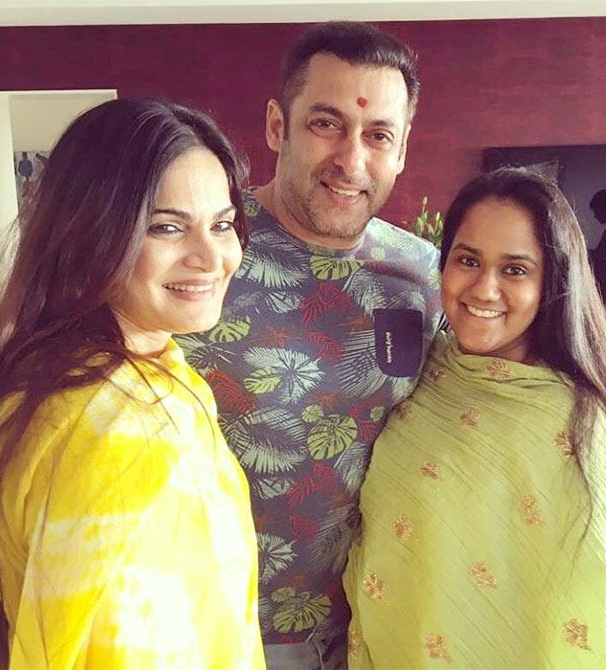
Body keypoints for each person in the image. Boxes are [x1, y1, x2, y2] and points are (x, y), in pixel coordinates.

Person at [176, 21, 441, 669]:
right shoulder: (195, 257)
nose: (351, 160)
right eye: (326, 124)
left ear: (402, 148)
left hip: (375, 626)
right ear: (276, 126)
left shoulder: (427, 278)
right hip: (207, 632)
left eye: (378, 134)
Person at [0, 98, 265, 669]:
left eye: (223, 224)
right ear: (93, 235)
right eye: (166, 227)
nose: (212, 257)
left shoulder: (48, 375)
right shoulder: (123, 433)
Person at [344, 167, 606, 669]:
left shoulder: (576, 428)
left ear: (552, 282)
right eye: (468, 260)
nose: (484, 288)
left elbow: (593, 612)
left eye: (515, 269)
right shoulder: (426, 371)